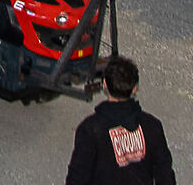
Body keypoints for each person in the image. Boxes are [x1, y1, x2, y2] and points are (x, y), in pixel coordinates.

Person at [62, 56, 174, 185]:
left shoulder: (90, 129)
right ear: (134, 89)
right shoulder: (152, 126)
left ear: (105, 84)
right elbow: (165, 175)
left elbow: (78, 177)